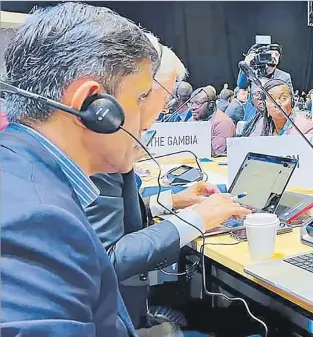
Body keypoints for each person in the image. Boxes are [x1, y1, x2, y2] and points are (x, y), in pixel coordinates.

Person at [1, 3, 157, 335]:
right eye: (141, 98)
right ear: (93, 105)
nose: (146, 122)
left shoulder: (21, 166)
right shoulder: (37, 222)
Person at [86, 34, 251, 334]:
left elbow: (117, 214)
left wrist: (173, 202)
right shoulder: (105, 146)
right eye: (165, 93)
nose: (168, 105)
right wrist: (197, 219)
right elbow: (107, 256)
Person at [237, 42, 293, 122]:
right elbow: (241, 85)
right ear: (264, 56)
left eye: (277, 55)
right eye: (270, 54)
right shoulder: (253, 72)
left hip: (274, 118)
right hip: (253, 117)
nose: (273, 57)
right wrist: (247, 64)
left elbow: (290, 99)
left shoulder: (285, 76)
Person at [242, 79, 313, 136]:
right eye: (272, 99)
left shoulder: (307, 128)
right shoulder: (261, 125)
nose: (277, 103)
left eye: (283, 98)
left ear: (292, 102)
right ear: (265, 105)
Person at [190, 86, 236, 156]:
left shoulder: (223, 123)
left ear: (210, 105)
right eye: (191, 103)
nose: (192, 107)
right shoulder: (196, 118)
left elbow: (215, 155)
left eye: (197, 103)